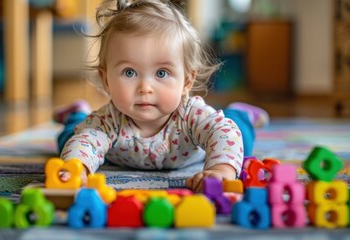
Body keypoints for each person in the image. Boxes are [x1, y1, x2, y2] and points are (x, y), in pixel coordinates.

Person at [54, 0, 269, 192]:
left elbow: (223, 133)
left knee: (238, 138)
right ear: (106, 79)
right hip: (95, 130)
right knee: (71, 139)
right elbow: (85, 141)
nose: (145, 87)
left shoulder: (191, 114)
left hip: (194, 152)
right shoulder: (108, 120)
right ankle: (76, 114)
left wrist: (221, 170)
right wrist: (77, 169)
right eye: (129, 72)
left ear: (186, 81)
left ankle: (242, 114)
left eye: (161, 73)